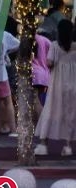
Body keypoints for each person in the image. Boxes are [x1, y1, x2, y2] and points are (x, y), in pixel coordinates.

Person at [35, 20, 76, 156]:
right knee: (70, 114)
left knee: (50, 111)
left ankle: (43, 145)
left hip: (57, 85)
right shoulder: (75, 46)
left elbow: (50, 62)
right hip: (73, 84)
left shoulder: (54, 46)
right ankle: (68, 146)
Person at [0, 18, 20, 136]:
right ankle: (13, 130)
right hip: (1, 73)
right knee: (7, 101)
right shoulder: (4, 35)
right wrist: (6, 53)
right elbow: (19, 44)